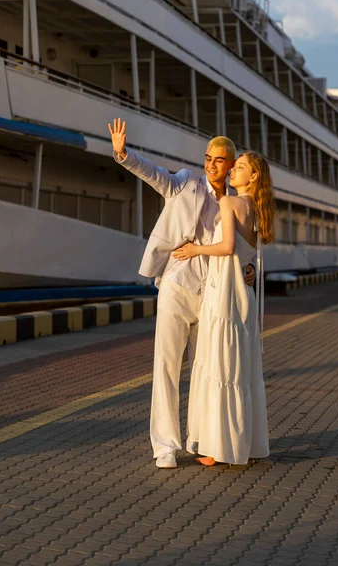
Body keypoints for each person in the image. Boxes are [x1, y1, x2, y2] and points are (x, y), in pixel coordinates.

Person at [108, 119, 256, 468]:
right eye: (208, 157)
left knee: (205, 369)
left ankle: (200, 439)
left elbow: (245, 247)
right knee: (167, 366)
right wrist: (123, 154)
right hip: (177, 284)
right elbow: (155, 174)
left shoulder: (234, 200)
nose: (210, 164)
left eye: (218, 160)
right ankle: (165, 446)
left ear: (231, 165)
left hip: (214, 294)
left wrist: (252, 269)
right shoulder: (187, 182)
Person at [172, 151, 275, 466]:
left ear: (253, 176)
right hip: (243, 296)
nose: (233, 170)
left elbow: (227, 247)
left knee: (219, 367)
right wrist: (251, 271)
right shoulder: (258, 211)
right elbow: (248, 255)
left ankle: (219, 447)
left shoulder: (230, 203)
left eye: (240, 167)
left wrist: (194, 249)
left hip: (223, 295)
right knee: (240, 371)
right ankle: (241, 443)